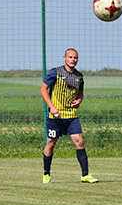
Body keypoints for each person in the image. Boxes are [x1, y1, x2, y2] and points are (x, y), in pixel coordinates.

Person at [40, 48, 97, 184]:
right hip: (56, 117)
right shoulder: (56, 72)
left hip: (71, 116)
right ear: (64, 58)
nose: (73, 60)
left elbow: (80, 93)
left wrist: (79, 100)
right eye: (70, 57)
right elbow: (43, 89)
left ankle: (85, 174)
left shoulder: (79, 76)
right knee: (51, 144)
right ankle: (46, 173)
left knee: (80, 142)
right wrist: (52, 107)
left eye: (75, 58)